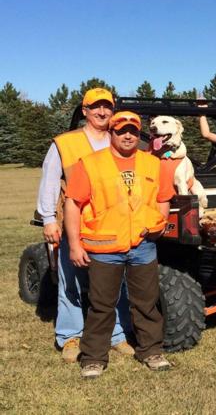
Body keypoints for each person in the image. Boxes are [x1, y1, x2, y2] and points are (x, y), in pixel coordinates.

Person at [64, 111, 174, 378]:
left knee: (146, 303)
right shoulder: (89, 163)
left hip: (142, 245)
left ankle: (151, 351)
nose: (127, 135)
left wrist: (158, 224)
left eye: (133, 131)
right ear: (111, 133)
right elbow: (73, 203)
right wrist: (75, 245)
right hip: (104, 247)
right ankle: (93, 357)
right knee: (101, 305)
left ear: (139, 134)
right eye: (121, 130)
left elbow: (163, 197)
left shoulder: (153, 164)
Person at [36, 88, 133, 363]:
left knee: (116, 283)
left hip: (112, 227)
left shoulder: (120, 141)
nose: (102, 112)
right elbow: (50, 181)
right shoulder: (65, 143)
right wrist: (49, 219)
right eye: (96, 107)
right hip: (75, 226)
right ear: (85, 110)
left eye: (107, 107)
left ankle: (117, 334)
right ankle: (70, 336)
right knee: (71, 282)